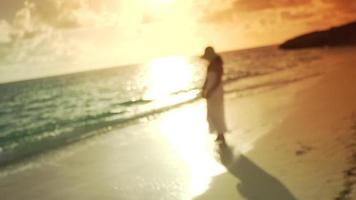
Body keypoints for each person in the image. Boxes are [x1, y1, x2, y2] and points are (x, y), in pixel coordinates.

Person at [201, 46, 227, 143]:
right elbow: (207, 78)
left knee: (217, 112)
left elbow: (218, 80)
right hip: (211, 89)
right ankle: (219, 134)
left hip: (216, 90)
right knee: (212, 113)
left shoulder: (217, 63)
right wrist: (203, 88)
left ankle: (221, 134)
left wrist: (210, 91)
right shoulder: (210, 64)